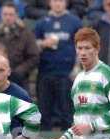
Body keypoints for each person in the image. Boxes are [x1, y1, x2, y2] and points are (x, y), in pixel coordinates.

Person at [34, 0, 82, 131]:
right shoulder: (41, 22)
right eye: (54, 0)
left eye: (60, 0)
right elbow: (32, 47)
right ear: (49, 3)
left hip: (66, 73)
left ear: (66, 3)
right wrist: (43, 43)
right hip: (45, 71)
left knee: (67, 111)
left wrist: (77, 67)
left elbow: (80, 46)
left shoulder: (75, 22)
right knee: (44, 111)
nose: (58, 3)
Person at [0, 1, 39, 90]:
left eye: (11, 15)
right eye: (5, 14)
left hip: (20, 81)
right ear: (1, 15)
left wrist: (19, 71)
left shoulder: (26, 33)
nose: (8, 17)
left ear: (16, 15)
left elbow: (34, 57)